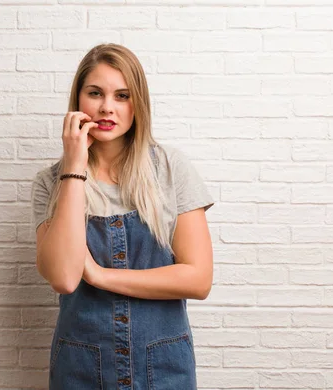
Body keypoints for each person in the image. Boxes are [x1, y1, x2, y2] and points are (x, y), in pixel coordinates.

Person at [30, 43, 214, 390]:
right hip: (81, 370)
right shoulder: (50, 183)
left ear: (137, 104)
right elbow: (65, 278)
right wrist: (74, 168)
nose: (106, 108)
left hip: (163, 368)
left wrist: (99, 275)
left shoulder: (171, 169)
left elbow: (198, 279)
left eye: (122, 96)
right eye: (95, 93)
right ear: (78, 101)